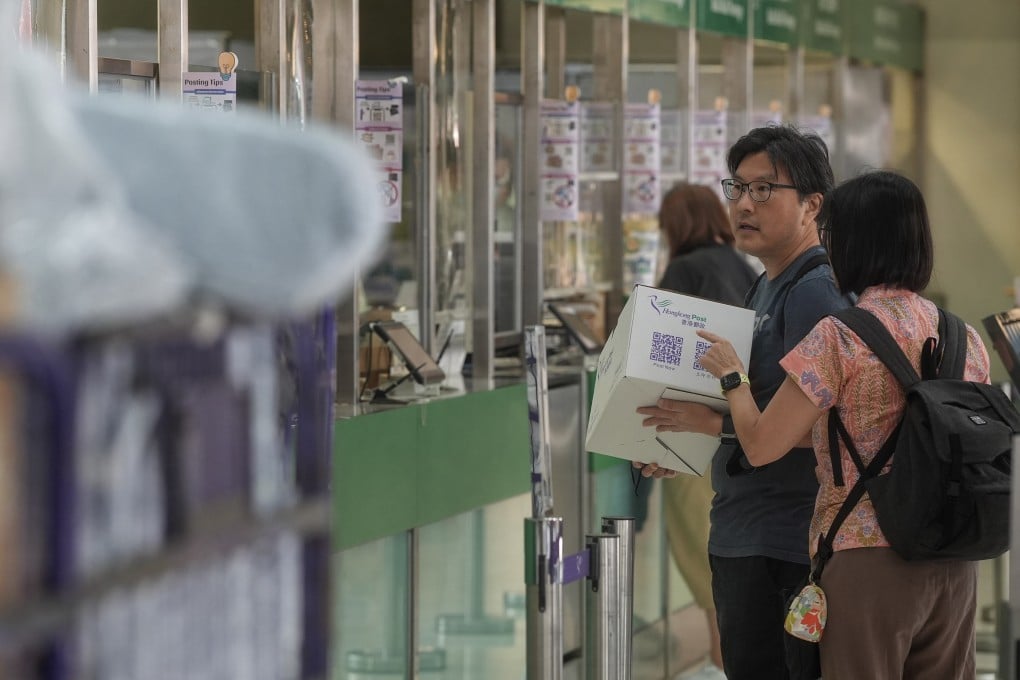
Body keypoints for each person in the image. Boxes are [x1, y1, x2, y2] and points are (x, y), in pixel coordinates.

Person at [648, 169, 988, 678]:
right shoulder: (964, 338)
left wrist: (733, 379)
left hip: (866, 560)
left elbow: (763, 445)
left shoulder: (840, 337)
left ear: (851, 242)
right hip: (954, 563)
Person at [634, 124, 851, 680]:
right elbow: (752, 406)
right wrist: (686, 441)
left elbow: (826, 423)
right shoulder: (765, 284)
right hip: (747, 529)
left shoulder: (813, 293)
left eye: (764, 190)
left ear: (811, 205)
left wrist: (711, 424)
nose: (744, 205)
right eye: (738, 188)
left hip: (785, 541)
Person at [656, 182, 757, 679]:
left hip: (697, 432)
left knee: (708, 573)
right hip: (740, 427)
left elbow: (659, 352)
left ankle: (722, 662)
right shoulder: (742, 263)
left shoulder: (683, 269)